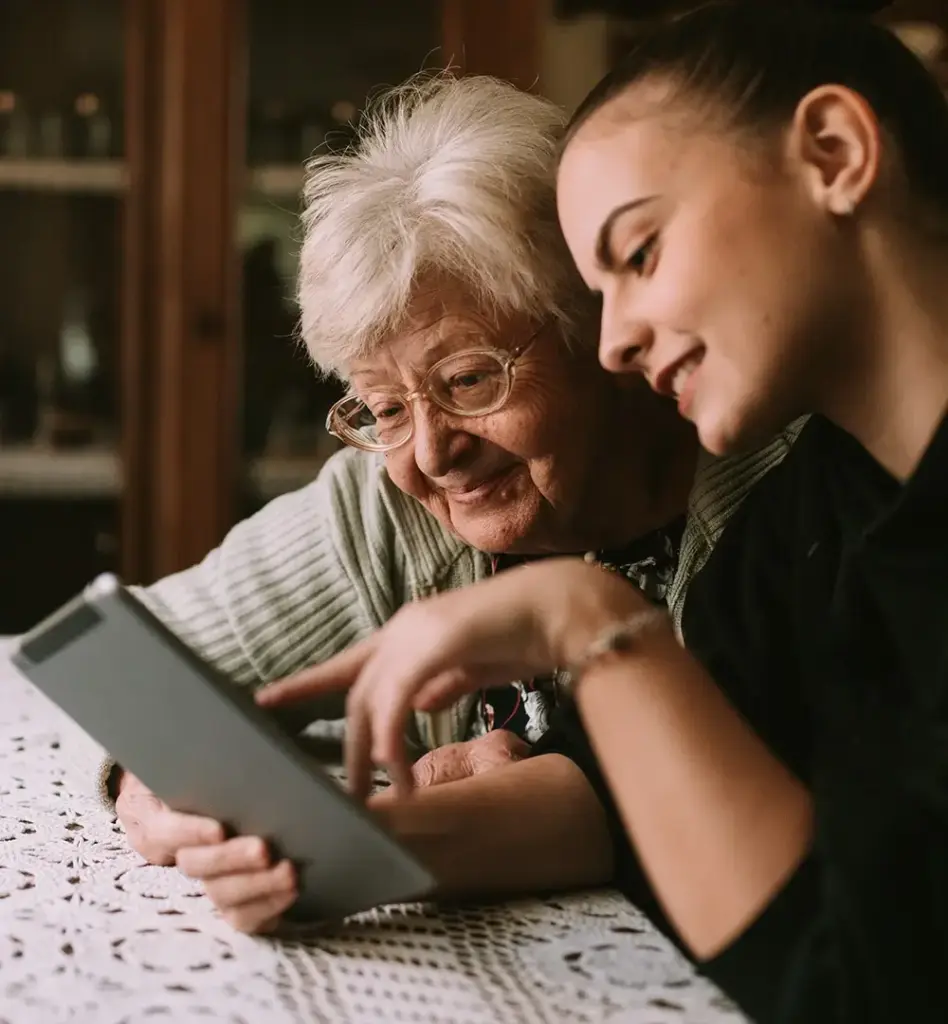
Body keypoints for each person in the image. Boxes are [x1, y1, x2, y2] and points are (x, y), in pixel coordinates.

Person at [257, 3, 948, 1022]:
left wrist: (585, 617)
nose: (615, 343)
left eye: (639, 253)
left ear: (836, 152)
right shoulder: (813, 521)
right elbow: (794, 911)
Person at [107, 74, 795, 932]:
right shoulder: (385, 507)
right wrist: (161, 779)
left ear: (597, 328)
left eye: (470, 379)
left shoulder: (785, 502)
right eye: (385, 408)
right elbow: (136, 660)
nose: (431, 453)